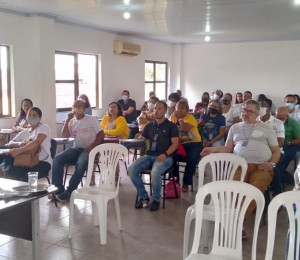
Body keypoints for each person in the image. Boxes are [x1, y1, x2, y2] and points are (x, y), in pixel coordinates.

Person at [201, 99, 280, 223]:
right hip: (239, 165)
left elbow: (276, 151)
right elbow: (227, 148)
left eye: (249, 111)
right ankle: (237, 220)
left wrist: (271, 164)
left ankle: (238, 221)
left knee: (254, 190)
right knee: (235, 190)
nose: (245, 113)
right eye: (244, 110)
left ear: (257, 114)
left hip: (261, 166)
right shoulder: (234, 128)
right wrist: (213, 149)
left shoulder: (266, 128)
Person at [128, 101, 179, 211]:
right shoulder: (149, 126)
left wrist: (165, 154)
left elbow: (175, 144)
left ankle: (156, 199)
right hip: (149, 155)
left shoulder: (172, 126)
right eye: (155, 108)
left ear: (165, 111)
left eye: (160, 108)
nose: (156, 110)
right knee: (131, 170)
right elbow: (142, 139)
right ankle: (144, 197)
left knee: (155, 172)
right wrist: (131, 142)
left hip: (166, 157)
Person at [51, 100, 104, 202]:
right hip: (77, 148)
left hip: (92, 149)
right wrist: (68, 120)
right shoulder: (72, 121)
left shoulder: (91, 119)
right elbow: (65, 135)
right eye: (75, 106)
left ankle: (69, 191)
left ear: (84, 109)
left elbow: (101, 134)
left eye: (80, 106)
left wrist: (92, 146)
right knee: (57, 159)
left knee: (81, 162)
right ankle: (58, 189)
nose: (78, 108)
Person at [0, 107, 52, 181]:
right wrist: (19, 144)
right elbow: (11, 142)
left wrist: (19, 151)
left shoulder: (43, 128)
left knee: (26, 177)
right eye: (29, 115)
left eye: (34, 115)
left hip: (42, 162)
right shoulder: (25, 132)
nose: (31, 117)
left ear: (39, 118)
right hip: (24, 161)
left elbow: (36, 142)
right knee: (11, 174)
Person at [170, 100, 202, 191]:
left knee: (192, 159)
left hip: (194, 143)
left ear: (187, 110)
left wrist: (179, 119)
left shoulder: (190, 117)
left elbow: (185, 128)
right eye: (178, 108)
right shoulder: (172, 117)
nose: (179, 110)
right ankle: (175, 180)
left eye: (182, 108)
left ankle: (186, 182)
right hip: (180, 144)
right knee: (171, 157)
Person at [259, 99, 285, 196]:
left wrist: (266, 149)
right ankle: (258, 195)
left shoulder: (278, 123)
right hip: (259, 153)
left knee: (273, 167)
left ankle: (277, 194)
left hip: (276, 152)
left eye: (262, 106)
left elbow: (280, 142)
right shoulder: (255, 122)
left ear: (268, 109)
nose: (259, 108)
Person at [275, 107, 300, 185]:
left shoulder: (293, 123)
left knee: (282, 159)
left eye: (281, 119)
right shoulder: (272, 121)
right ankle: (281, 175)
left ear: (287, 116)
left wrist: (288, 143)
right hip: (276, 144)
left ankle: (280, 176)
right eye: (277, 118)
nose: (279, 120)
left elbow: (298, 139)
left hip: (290, 144)